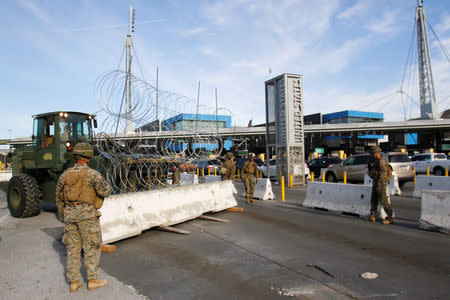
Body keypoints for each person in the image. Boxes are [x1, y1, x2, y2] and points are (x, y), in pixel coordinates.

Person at [56, 142, 111, 293]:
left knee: (73, 248)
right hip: (87, 217)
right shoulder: (93, 174)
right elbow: (106, 191)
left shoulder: (65, 175)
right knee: (92, 246)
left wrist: (63, 215)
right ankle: (92, 280)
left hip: (70, 216)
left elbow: (59, 196)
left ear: (76, 156)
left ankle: (74, 282)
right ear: (88, 156)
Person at [367, 145, 394, 224]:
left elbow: (383, 174)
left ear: (377, 153)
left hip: (380, 184)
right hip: (376, 182)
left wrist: (379, 185)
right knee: (373, 200)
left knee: (383, 200)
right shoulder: (375, 161)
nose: (372, 155)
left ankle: (390, 217)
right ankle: (372, 215)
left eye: (373, 154)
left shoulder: (381, 162)